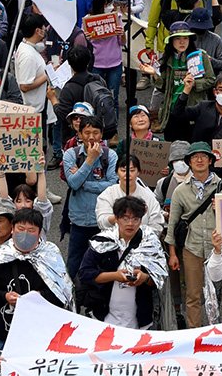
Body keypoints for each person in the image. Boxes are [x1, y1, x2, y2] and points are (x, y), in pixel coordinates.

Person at [0, 207, 72, 348]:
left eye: (31, 231)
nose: (25, 234)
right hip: (4, 338)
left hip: (42, 338)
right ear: (12, 229)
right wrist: (4, 296)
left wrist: (38, 296)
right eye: (21, 229)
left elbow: (64, 295)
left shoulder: (50, 256)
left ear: (39, 233)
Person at [79, 195, 168, 327]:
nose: (130, 223)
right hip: (104, 316)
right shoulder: (102, 241)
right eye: (125, 218)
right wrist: (114, 276)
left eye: (135, 219)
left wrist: (145, 278)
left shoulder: (150, 242)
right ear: (116, 218)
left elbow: (160, 279)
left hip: (140, 319)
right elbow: (84, 273)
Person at [166, 142, 222, 328]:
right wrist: (173, 254)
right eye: (194, 157)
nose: (199, 160)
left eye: (203, 156)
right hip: (192, 248)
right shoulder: (180, 190)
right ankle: (194, 333)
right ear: (189, 162)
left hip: (219, 249)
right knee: (192, 295)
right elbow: (172, 224)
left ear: (210, 160)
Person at [62, 117, 118, 281]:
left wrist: (85, 184)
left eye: (95, 132)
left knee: (104, 265)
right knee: (74, 265)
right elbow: (73, 183)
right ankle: (74, 300)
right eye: (87, 132)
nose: (91, 137)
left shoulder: (110, 155)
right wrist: (89, 160)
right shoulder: (70, 155)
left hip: (103, 221)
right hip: (79, 220)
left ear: (101, 135)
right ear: (79, 134)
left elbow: (112, 185)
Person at [94, 151, 164, 236]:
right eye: (123, 170)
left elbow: (157, 225)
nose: (127, 174)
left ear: (138, 172)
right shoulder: (107, 194)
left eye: (132, 170)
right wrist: (117, 218)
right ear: (116, 172)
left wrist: (141, 237)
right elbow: (102, 221)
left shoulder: (149, 196)